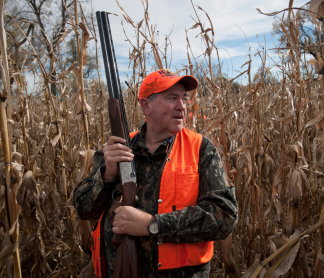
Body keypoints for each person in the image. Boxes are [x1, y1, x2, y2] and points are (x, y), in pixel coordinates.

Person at [73, 69, 238, 278]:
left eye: (184, 99)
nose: (182, 106)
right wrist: (106, 174)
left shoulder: (201, 149)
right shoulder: (119, 148)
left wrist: (153, 225)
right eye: (172, 98)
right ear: (145, 106)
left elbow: (225, 215)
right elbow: (83, 209)